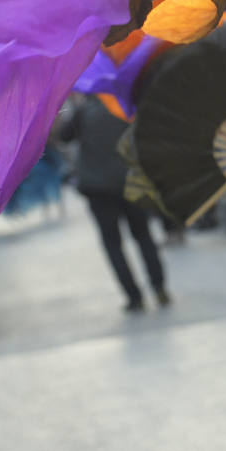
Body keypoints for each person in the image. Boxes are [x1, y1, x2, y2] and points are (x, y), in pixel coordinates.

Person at [58, 94, 169, 312]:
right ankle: (159, 288)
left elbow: (64, 136)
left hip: (98, 189)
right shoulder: (124, 106)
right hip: (130, 183)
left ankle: (133, 297)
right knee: (144, 236)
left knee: (113, 244)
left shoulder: (82, 112)